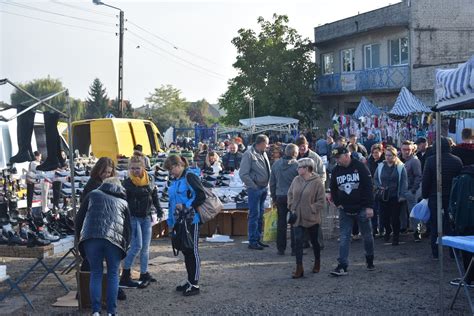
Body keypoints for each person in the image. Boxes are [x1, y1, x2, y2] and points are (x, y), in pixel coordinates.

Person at [75, 177, 131, 316]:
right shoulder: (123, 202)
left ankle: (96, 311)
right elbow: (128, 228)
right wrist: (125, 246)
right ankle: (111, 312)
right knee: (113, 274)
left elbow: (79, 218)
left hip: (91, 238)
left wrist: (79, 239)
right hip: (114, 241)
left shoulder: (92, 195)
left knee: (95, 273)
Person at [164, 155, 206, 296]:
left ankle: (194, 284)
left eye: (171, 169)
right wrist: (170, 222)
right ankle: (190, 280)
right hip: (180, 221)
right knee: (186, 250)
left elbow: (201, 196)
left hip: (191, 219)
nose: (171, 173)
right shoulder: (175, 180)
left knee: (192, 250)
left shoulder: (190, 177)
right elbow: (171, 203)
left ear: (179, 165)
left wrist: (186, 206)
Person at [329, 147, 375, 276]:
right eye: (335, 158)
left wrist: (369, 206)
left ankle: (369, 258)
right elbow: (333, 188)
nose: (337, 160)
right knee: (344, 237)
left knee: (367, 236)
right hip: (345, 209)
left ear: (347, 155)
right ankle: (342, 265)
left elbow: (368, 187)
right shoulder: (336, 170)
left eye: (339, 157)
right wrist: (338, 203)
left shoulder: (360, 167)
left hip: (362, 208)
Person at [120, 154, 163, 288]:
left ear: (143, 167)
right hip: (133, 217)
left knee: (145, 247)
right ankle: (125, 274)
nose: (135, 171)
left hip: (146, 216)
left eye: (137, 168)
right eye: (132, 168)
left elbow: (154, 196)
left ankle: (144, 273)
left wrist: (159, 209)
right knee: (136, 246)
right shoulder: (127, 182)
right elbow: (136, 194)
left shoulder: (150, 179)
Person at [422, 136, 462, 259]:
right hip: (451, 196)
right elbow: (459, 181)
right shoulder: (457, 160)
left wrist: (425, 195)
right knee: (451, 224)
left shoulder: (430, 160)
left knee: (435, 224)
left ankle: (435, 253)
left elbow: (426, 180)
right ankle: (453, 252)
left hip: (435, 196)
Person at [287, 158, 325, 278]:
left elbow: (321, 201)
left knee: (315, 242)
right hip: (297, 217)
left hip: (312, 218)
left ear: (307, 168)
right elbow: (290, 194)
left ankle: (317, 262)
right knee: (298, 242)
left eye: (300, 167)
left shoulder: (317, 182)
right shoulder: (296, 180)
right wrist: (291, 205)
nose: (297, 169)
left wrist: (311, 209)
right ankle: (299, 268)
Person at [239, 134, 271, 250]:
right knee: (254, 215)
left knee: (260, 215)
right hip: (255, 189)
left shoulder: (263, 153)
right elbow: (243, 174)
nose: (268, 146)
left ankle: (257, 239)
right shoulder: (248, 154)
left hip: (263, 188)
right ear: (261, 143)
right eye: (266, 143)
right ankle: (252, 241)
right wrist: (254, 186)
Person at [374, 146, 408, 246]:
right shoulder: (380, 166)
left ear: (394, 156)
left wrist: (402, 195)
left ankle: (396, 237)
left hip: (395, 196)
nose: (387, 157)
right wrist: (379, 187)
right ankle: (387, 231)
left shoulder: (400, 167)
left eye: (390, 155)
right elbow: (375, 179)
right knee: (384, 217)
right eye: (386, 155)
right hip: (383, 195)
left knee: (395, 218)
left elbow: (403, 182)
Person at [270, 144, 298, 256]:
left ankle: (280, 248)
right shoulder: (297, 165)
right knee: (294, 223)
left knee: (281, 224)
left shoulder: (276, 165)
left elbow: (272, 183)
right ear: (294, 153)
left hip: (280, 196)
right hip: (293, 197)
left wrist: (274, 197)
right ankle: (294, 249)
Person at [400, 141, 423, 241]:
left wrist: (413, 190)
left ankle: (417, 233)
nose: (406, 152)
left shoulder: (414, 161)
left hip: (410, 190)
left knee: (413, 213)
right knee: (402, 212)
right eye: (404, 149)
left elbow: (418, 176)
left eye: (408, 149)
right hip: (402, 190)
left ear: (412, 149)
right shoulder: (400, 159)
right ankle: (403, 228)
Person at [367, 143, 385, 237]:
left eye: (377, 152)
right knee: (373, 210)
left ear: (381, 152)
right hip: (372, 189)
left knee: (382, 211)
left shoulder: (384, 162)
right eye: (373, 152)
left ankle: (382, 228)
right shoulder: (370, 161)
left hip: (382, 188)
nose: (375, 154)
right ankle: (374, 229)